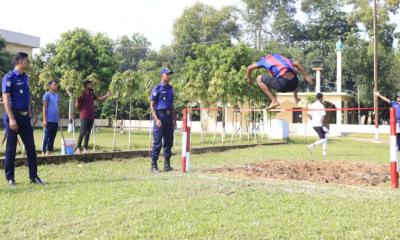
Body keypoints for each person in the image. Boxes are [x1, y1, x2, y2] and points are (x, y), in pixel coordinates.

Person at [1, 52, 45, 187]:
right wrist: (12, 119)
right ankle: (10, 178)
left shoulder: (26, 78)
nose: (28, 63)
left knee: (31, 147)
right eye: (27, 61)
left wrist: (29, 115)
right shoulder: (9, 77)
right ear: (20, 61)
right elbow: (6, 99)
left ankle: (34, 176)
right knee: (11, 149)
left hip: (25, 117)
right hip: (12, 116)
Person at [247, 53, 315, 110]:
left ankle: (274, 101)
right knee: (293, 71)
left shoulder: (265, 60)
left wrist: (249, 79)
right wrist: (306, 76)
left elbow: (249, 68)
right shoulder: (281, 58)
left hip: (283, 85)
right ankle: (296, 98)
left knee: (259, 78)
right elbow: (297, 63)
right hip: (295, 83)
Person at [149, 68, 177, 173]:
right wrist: (156, 119)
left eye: (170, 74)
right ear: (162, 75)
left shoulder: (171, 89)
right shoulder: (156, 89)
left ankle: (167, 164)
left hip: (169, 118)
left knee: (169, 142)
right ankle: (154, 165)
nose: (169, 76)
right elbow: (151, 106)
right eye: (167, 74)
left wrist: (174, 119)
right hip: (160, 117)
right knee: (157, 143)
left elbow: (172, 105)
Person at [76, 80, 111, 154]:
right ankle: (78, 148)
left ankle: (85, 148)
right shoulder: (81, 93)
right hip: (84, 115)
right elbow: (77, 105)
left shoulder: (92, 93)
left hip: (91, 116)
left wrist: (107, 95)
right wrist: (79, 105)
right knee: (82, 131)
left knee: (88, 132)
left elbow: (99, 99)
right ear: (86, 85)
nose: (91, 85)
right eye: (90, 84)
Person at [41, 80, 60, 156]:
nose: (56, 86)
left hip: (55, 119)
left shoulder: (57, 95)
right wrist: (44, 119)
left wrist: (59, 115)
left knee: (53, 135)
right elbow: (44, 107)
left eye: (56, 85)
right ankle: (43, 151)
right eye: (54, 85)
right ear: (49, 86)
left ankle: (49, 150)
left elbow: (57, 106)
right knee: (46, 136)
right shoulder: (47, 95)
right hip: (48, 119)